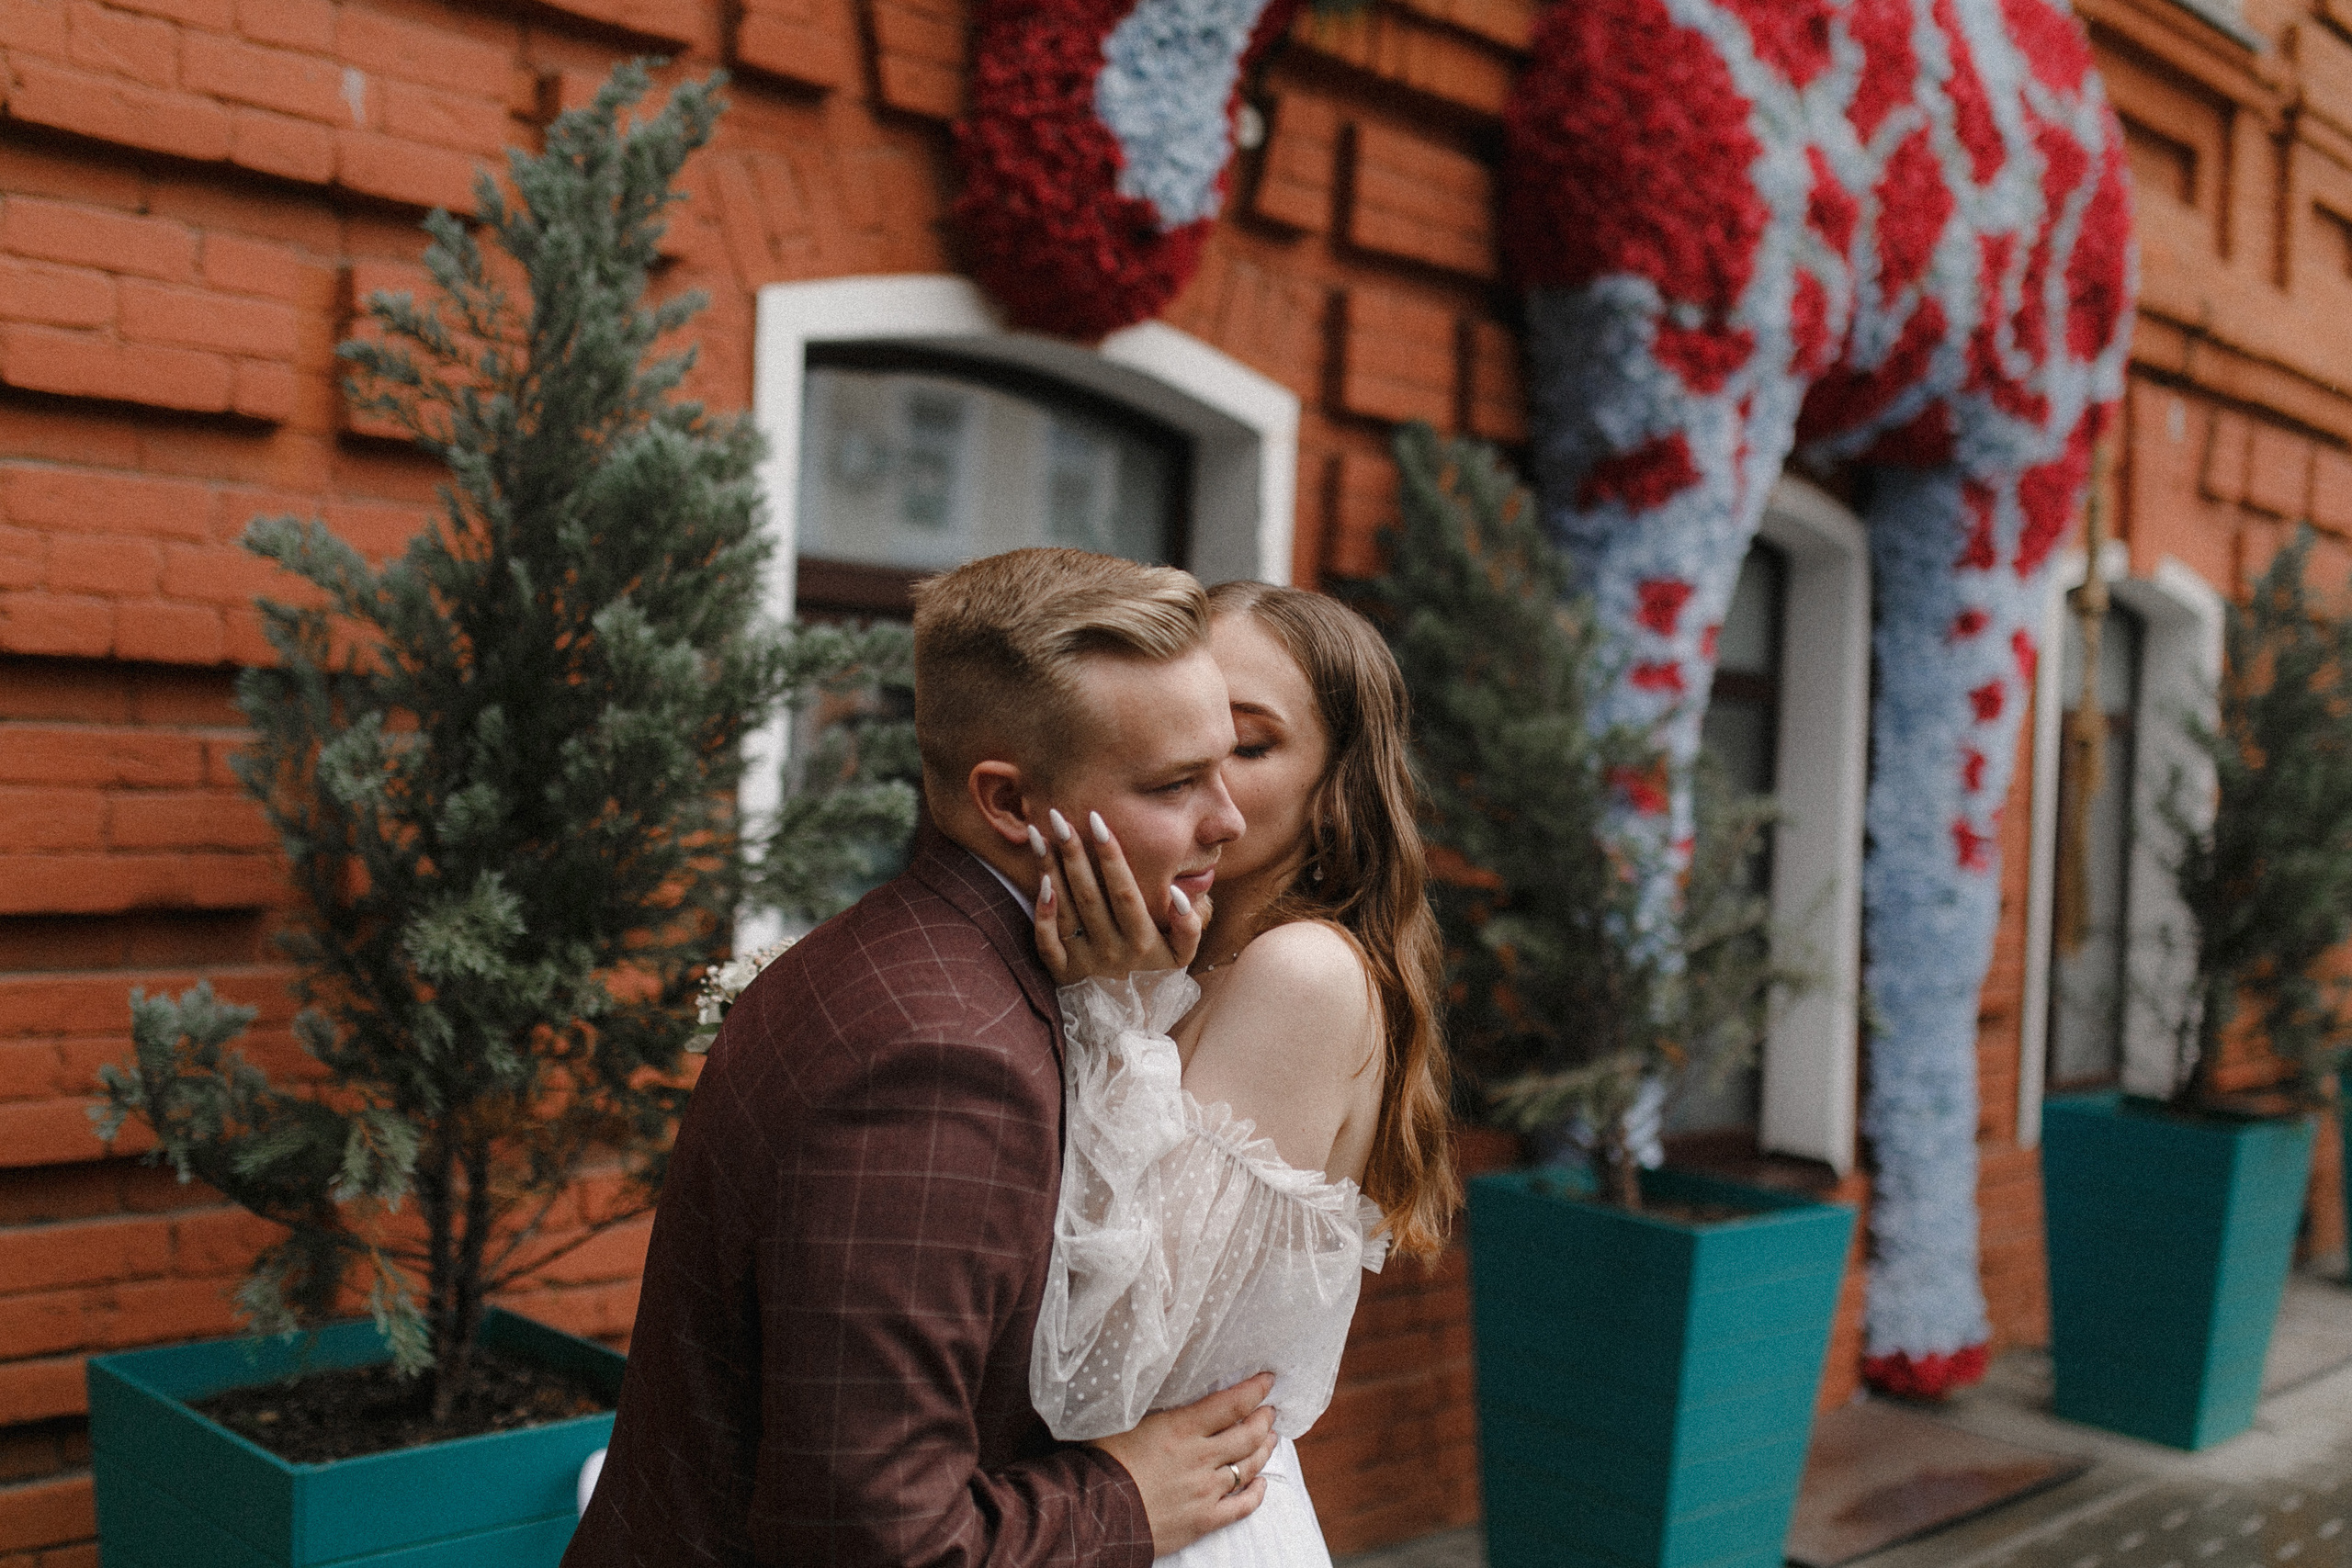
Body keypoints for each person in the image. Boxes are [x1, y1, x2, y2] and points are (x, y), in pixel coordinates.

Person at [567, 549, 1290, 1568]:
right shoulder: (944, 1061)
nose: (1227, 818)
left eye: (1229, 762)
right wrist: (1126, 1498)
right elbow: (875, 1541)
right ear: (1011, 804)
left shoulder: (909, 952)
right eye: (1174, 783)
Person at [1023, 581, 1458, 1566]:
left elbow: (1104, 1370)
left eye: (1249, 745)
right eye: (1182, 731)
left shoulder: (1299, 972)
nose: (1201, 777)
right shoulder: (1178, 960)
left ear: (1336, 788)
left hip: (1179, 1532)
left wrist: (1110, 1005)